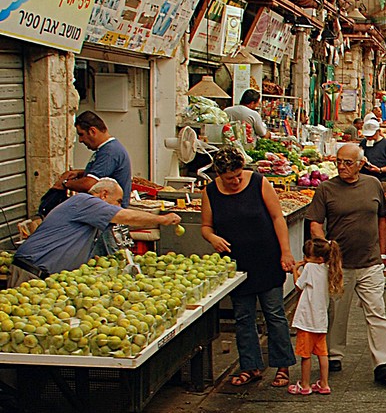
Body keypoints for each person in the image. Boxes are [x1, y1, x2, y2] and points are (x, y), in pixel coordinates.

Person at [200, 147, 297, 389]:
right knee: (243, 316)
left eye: (238, 175)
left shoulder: (258, 182)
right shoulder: (210, 192)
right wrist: (212, 238)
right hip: (236, 263)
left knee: (274, 313)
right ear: (218, 175)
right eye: (229, 178)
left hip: (266, 257)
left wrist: (285, 252)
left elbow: (277, 217)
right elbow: (206, 226)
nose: (235, 181)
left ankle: (282, 365)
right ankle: (250, 366)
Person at [309, 143, 386, 384]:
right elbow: (315, 222)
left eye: (348, 162)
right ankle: (335, 353)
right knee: (338, 311)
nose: (342, 166)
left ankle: (383, 362)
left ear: (361, 164)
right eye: (339, 161)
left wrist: (382, 252)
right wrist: (322, 241)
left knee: (377, 311)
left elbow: (382, 219)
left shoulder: (372, 185)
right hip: (340, 264)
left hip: (369, 261)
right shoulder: (326, 189)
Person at [12, 179, 179, 281]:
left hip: (46, 275)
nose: (119, 206)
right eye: (118, 201)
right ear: (104, 194)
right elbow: (124, 216)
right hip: (32, 272)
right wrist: (161, 219)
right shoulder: (85, 201)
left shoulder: (90, 215)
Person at [290, 238, 343, 396]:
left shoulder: (310, 268)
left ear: (318, 258)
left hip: (306, 320)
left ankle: (305, 385)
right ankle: (324, 383)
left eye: (307, 256)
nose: (305, 258)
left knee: (305, 355)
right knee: (322, 354)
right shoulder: (329, 269)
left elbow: (298, 285)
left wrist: (295, 270)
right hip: (321, 321)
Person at [56, 111, 132, 207]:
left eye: (81, 134)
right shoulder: (107, 149)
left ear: (92, 131)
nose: (80, 140)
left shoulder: (109, 152)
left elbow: (89, 184)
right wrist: (79, 173)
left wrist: (65, 183)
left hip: (110, 211)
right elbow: (102, 173)